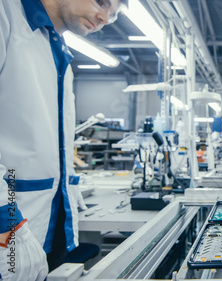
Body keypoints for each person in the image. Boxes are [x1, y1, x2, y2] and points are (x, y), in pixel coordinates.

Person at [0, 0, 127, 279]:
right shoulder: (7, 16)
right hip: (9, 226)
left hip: (48, 228)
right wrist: (5, 221)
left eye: (115, 14)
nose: (105, 17)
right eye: (102, 2)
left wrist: (67, 189)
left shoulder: (57, 48)